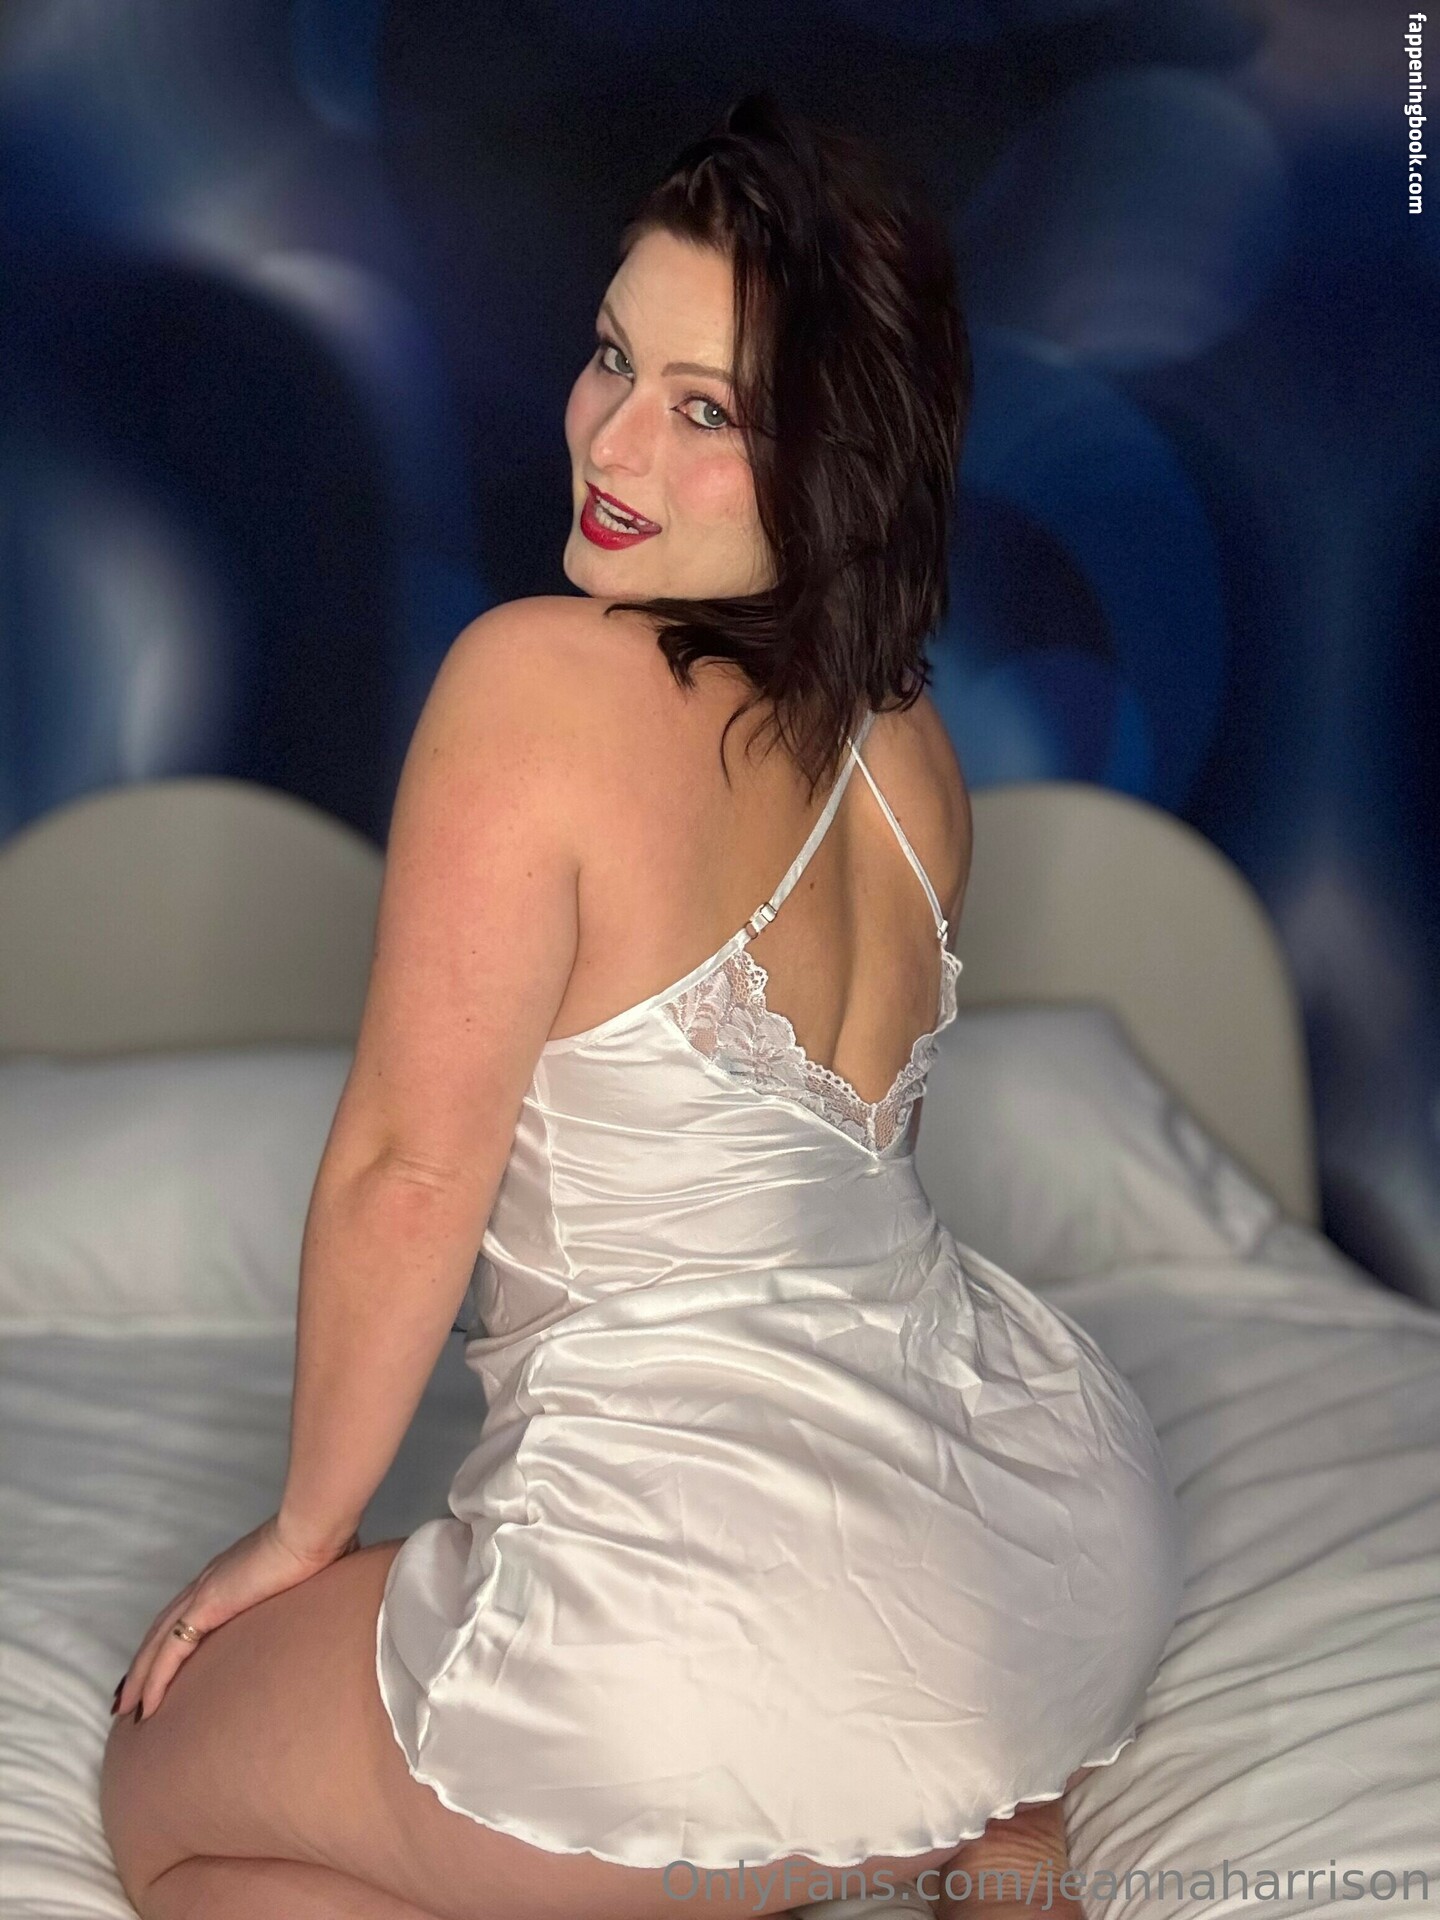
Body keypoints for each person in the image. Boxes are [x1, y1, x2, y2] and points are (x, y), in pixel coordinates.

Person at [101, 92, 1183, 1920]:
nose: (610, 441)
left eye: (709, 413)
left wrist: (302, 1533)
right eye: (613, 357)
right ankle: (972, 1812)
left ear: (838, 458)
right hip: (1049, 1548)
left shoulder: (534, 682)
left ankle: (793, 1830)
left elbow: (408, 1171)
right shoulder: (918, 752)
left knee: (159, 1802)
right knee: (839, 1678)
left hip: (690, 1667)